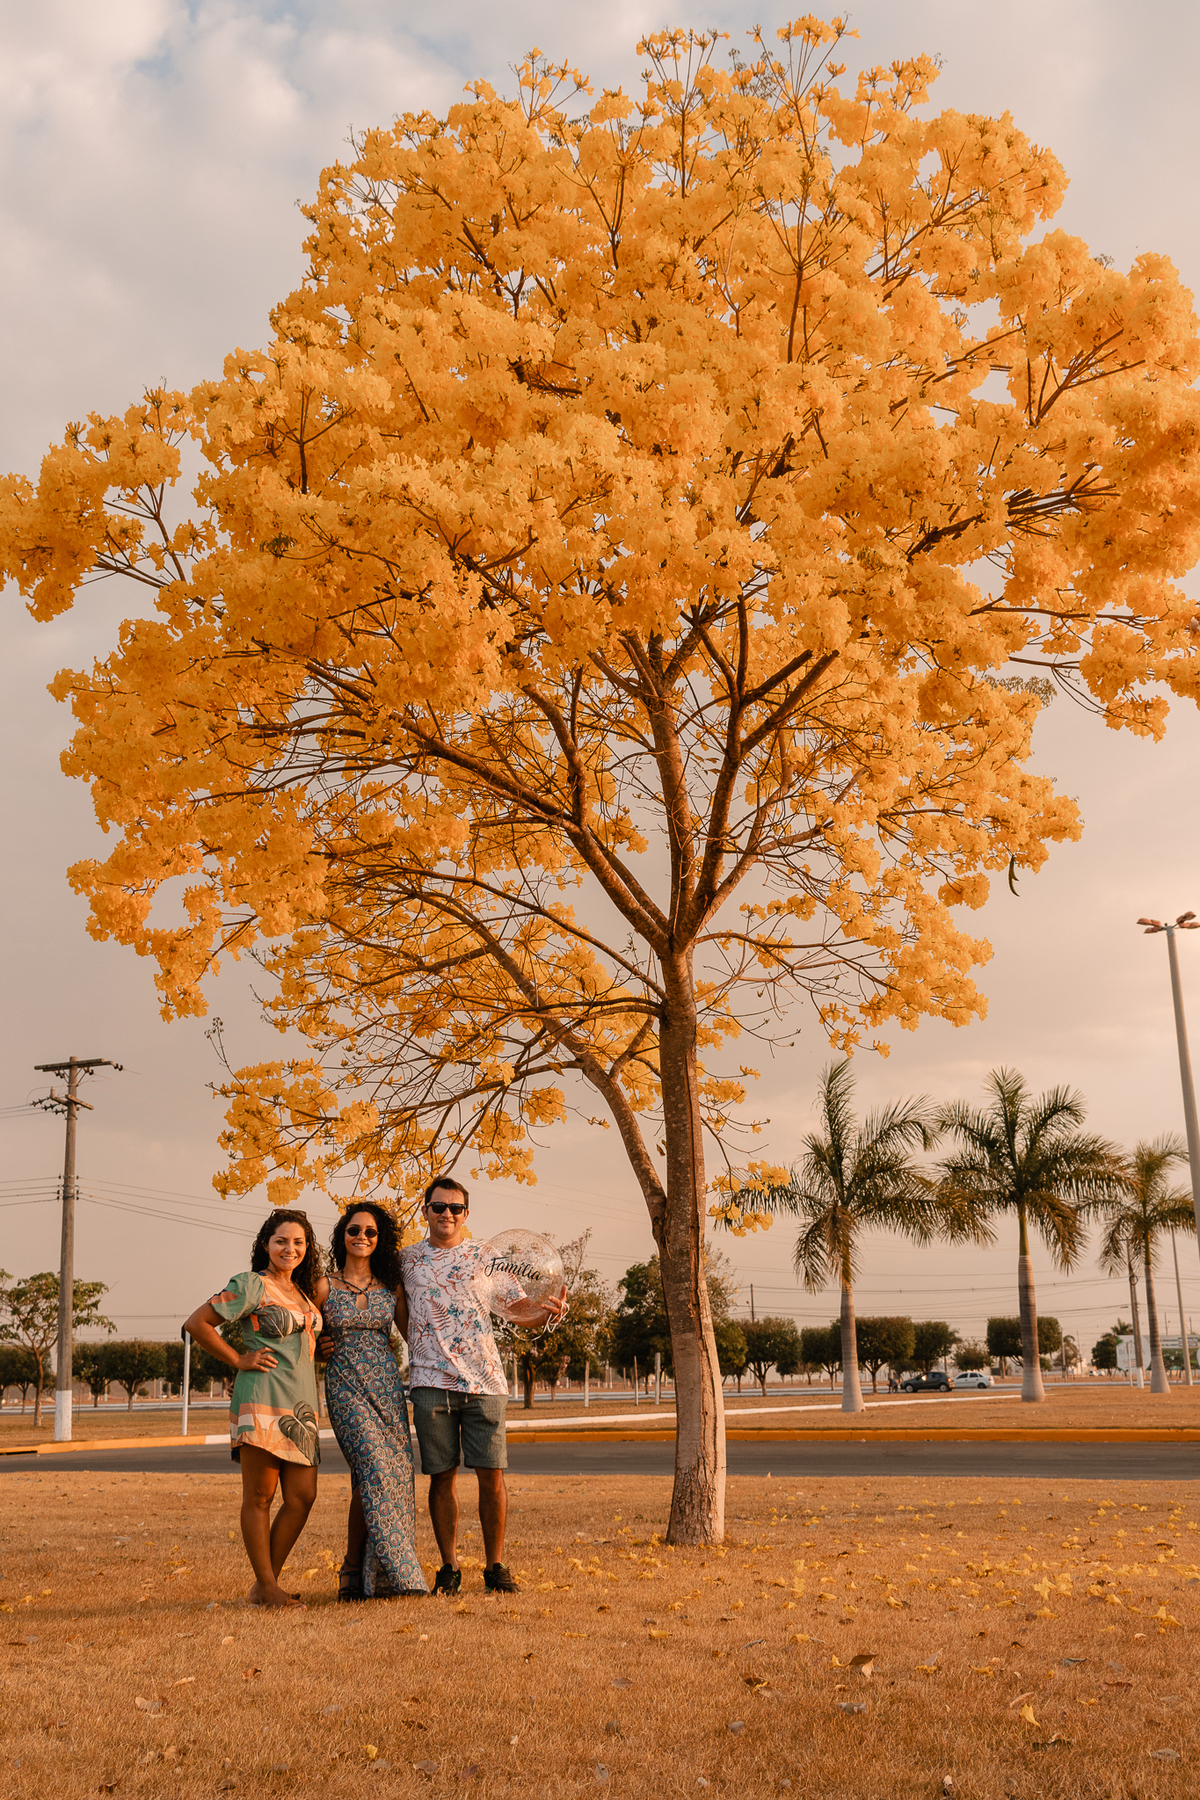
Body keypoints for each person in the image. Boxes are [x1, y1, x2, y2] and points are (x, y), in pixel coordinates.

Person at [399, 1176, 565, 1596]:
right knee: (442, 1477)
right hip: (430, 1384)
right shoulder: (406, 1260)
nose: (447, 1215)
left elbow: (517, 1308)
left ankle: (495, 1567)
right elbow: (399, 1312)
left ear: (466, 1214)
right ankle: (449, 1567)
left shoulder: (485, 1257)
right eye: (439, 1207)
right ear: (426, 1211)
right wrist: (419, 1346)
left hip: (485, 1383)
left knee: (492, 1476)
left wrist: (547, 1313)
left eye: (455, 1208)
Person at [183, 1208, 323, 1608]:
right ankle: (267, 1586)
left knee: (302, 1496)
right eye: (281, 1241)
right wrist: (238, 1358)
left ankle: (265, 1586)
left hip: (302, 1406)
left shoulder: (305, 1294)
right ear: (266, 1244)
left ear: (306, 1247)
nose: (289, 1249)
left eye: (298, 1242)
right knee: (260, 1495)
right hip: (261, 1395)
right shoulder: (251, 1285)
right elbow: (198, 1323)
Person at [315, 1202, 428, 1602]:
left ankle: (358, 1576)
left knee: (385, 1478)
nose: (361, 1237)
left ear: (380, 1240)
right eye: (354, 1230)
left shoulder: (389, 1287)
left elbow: (416, 1335)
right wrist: (317, 1349)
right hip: (345, 1387)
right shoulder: (323, 1285)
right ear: (342, 1235)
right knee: (374, 1470)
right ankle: (402, 1576)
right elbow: (301, 1333)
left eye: (370, 1232)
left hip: (386, 1389)